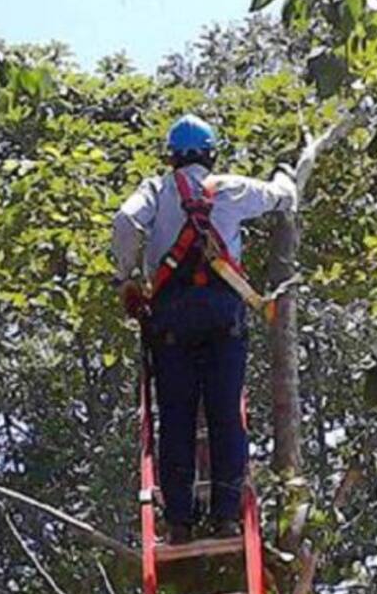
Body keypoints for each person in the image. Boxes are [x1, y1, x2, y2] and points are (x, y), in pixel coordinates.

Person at [112, 114, 296, 544]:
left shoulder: (156, 190)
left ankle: (179, 521)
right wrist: (286, 174)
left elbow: (124, 222)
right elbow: (282, 197)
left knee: (175, 417)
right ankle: (226, 515)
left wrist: (128, 279)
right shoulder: (230, 188)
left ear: (171, 157)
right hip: (221, 314)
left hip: (171, 318)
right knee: (225, 414)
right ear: (211, 154)